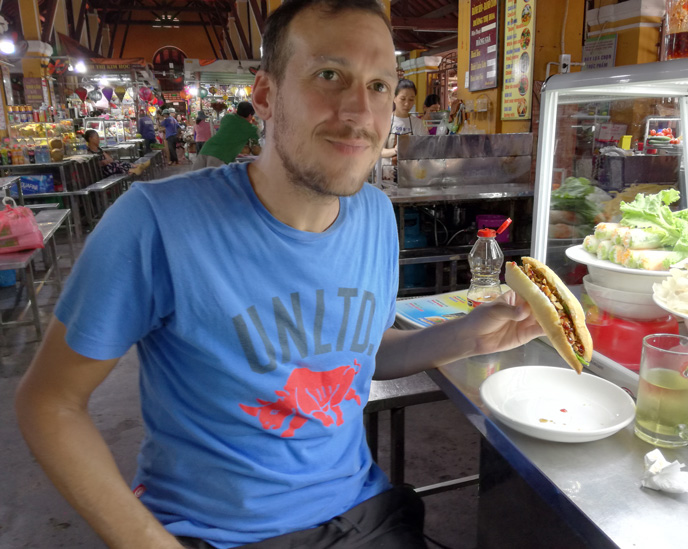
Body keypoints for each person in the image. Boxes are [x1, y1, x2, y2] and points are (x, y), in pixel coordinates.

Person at [14, 1, 543, 548]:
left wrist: (471, 335)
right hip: (217, 535)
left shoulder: (377, 216)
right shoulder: (157, 222)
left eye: (381, 85)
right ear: (266, 96)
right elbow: (50, 402)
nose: (361, 111)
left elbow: (363, 353)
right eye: (329, 76)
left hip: (360, 514)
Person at [380, 79, 428, 180]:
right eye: (403, 99)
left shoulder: (417, 124)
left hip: (411, 176)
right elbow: (377, 151)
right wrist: (395, 150)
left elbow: (425, 149)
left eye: (411, 99)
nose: (407, 104)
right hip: (386, 176)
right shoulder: (384, 121)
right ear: (394, 98)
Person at [192, 101, 259, 170]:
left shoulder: (227, 117)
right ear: (250, 115)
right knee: (215, 179)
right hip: (220, 155)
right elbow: (259, 139)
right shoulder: (251, 129)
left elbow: (227, 134)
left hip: (206, 149)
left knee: (195, 177)